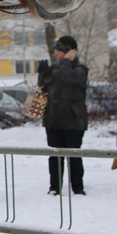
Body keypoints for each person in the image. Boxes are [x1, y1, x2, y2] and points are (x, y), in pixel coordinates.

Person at [37, 35, 89, 196]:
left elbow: (69, 77)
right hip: (53, 120)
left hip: (73, 121)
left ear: (70, 52)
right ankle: (55, 186)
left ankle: (77, 186)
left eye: (60, 52)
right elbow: (44, 89)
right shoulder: (55, 68)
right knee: (55, 156)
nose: (56, 55)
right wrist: (42, 75)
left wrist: (66, 61)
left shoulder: (80, 69)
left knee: (74, 155)